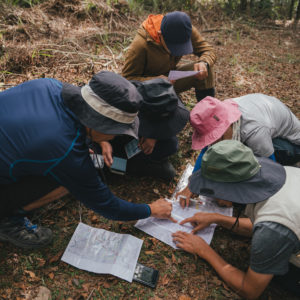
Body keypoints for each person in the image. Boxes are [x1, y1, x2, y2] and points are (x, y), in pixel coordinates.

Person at [0, 71, 174, 249]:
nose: (114, 137)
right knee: (65, 182)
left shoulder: (50, 85)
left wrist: (97, 138)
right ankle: (7, 220)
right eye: (115, 131)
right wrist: (150, 210)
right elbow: (107, 205)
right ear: (100, 123)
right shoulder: (65, 151)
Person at [173, 140, 300, 299]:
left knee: (282, 278)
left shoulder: (274, 228)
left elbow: (250, 290)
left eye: (214, 192)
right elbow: (258, 226)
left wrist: (203, 250)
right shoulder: (280, 174)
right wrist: (217, 218)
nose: (214, 198)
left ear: (231, 189)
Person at [177, 93, 300, 206]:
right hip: (266, 124)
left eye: (218, 137)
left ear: (228, 124)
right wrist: (192, 184)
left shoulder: (255, 132)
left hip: (290, 144)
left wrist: (233, 196)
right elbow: (207, 151)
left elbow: (268, 170)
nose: (214, 143)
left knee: (246, 160)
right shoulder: (218, 113)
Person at [100, 78, 190, 181]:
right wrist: (102, 141)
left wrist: (153, 135)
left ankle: (138, 164)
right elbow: (92, 123)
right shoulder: (116, 101)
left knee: (170, 145)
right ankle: (129, 167)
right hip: (108, 138)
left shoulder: (161, 99)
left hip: (135, 135)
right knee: (103, 163)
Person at [121, 11, 217, 102]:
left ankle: (208, 113)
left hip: (172, 79)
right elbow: (127, 80)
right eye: (173, 47)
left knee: (205, 68)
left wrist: (204, 62)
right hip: (149, 89)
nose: (177, 52)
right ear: (160, 34)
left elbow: (208, 50)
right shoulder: (141, 45)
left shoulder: (185, 29)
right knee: (177, 115)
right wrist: (155, 80)